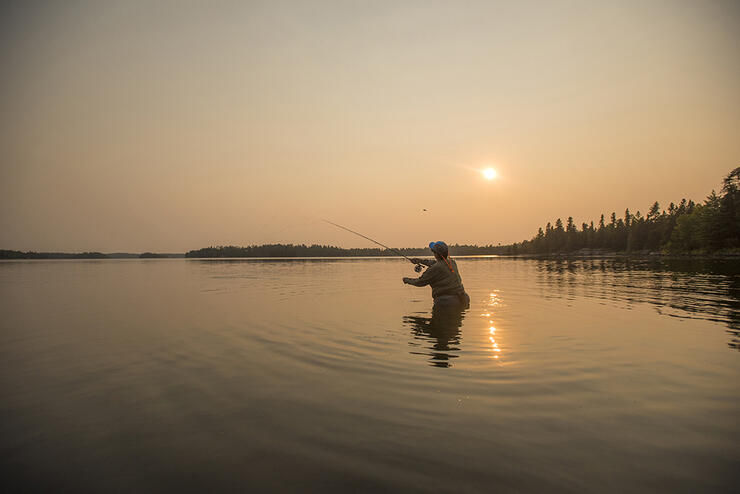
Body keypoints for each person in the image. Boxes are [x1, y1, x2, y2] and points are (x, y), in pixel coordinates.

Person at [402, 241, 470, 308]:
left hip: (447, 302)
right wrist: (419, 260)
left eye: (433, 251)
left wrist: (407, 280)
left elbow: (420, 282)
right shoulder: (452, 262)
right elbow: (435, 263)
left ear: (436, 254)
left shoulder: (434, 269)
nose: (433, 253)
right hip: (464, 298)